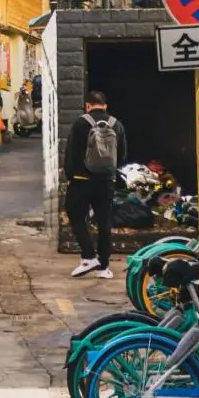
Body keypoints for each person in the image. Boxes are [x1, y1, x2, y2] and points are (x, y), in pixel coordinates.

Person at [63, 88, 127, 279]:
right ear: (105, 106)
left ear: (88, 106)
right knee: (104, 222)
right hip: (106, 182)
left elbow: (71, 154)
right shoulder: (117, 125)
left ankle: (89, 256)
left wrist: (71, 176)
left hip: (81, 181)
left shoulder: (81, 123)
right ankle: (104, 267)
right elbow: (121, 156)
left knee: (75, 215)